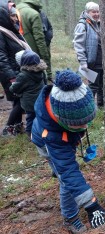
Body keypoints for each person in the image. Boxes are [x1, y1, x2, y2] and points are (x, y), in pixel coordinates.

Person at [31, 69, 105, 234]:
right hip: (48, 145)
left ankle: (58, 171)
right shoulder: (53, 136)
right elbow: (68, 169)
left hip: (64, 141)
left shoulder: (70, 101)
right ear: (61, 119)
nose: (85, 127)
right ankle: (70, 217)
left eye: (87, 122)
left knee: (65, 172)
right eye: (79, 125)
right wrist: (91, 204)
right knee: (66, 181)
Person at [0, 0, 31, 136]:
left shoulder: (11, 29)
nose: (15, 18)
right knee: (20, 102)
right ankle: (8, 129)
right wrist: (12, 77)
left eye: (15, 15)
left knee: (18, 101)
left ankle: (16, 128)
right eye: (12, 15)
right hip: (12, 73)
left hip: (19, 71)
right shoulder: (2, 32)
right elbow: (1, 57)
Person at [9, 50, 47, 138]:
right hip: (40, 99)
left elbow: (14, 88)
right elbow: (45, 82)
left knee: (30, 118)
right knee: (40, 116)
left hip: (29, 103)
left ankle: (30, 134)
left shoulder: (23, 75)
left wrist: (12, 86)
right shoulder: (41, 71)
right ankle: (43, 131)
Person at [73, 2, 104, 107]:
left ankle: (101, 106)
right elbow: (78, 45)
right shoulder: (82, 25)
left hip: (102, 61)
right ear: (87, 12)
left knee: (102, 85)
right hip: (91, 62)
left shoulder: (99, 23)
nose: (96, 14)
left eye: (97, 11)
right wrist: (82, 62)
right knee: (93, 86)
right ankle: (89, 106)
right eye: (93, 12)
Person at [17, 0, 52, 80]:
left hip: (18, 53)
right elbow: (39, 39)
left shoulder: (14, 9)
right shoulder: (34, 14)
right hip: (33, 55)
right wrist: (45, 58)